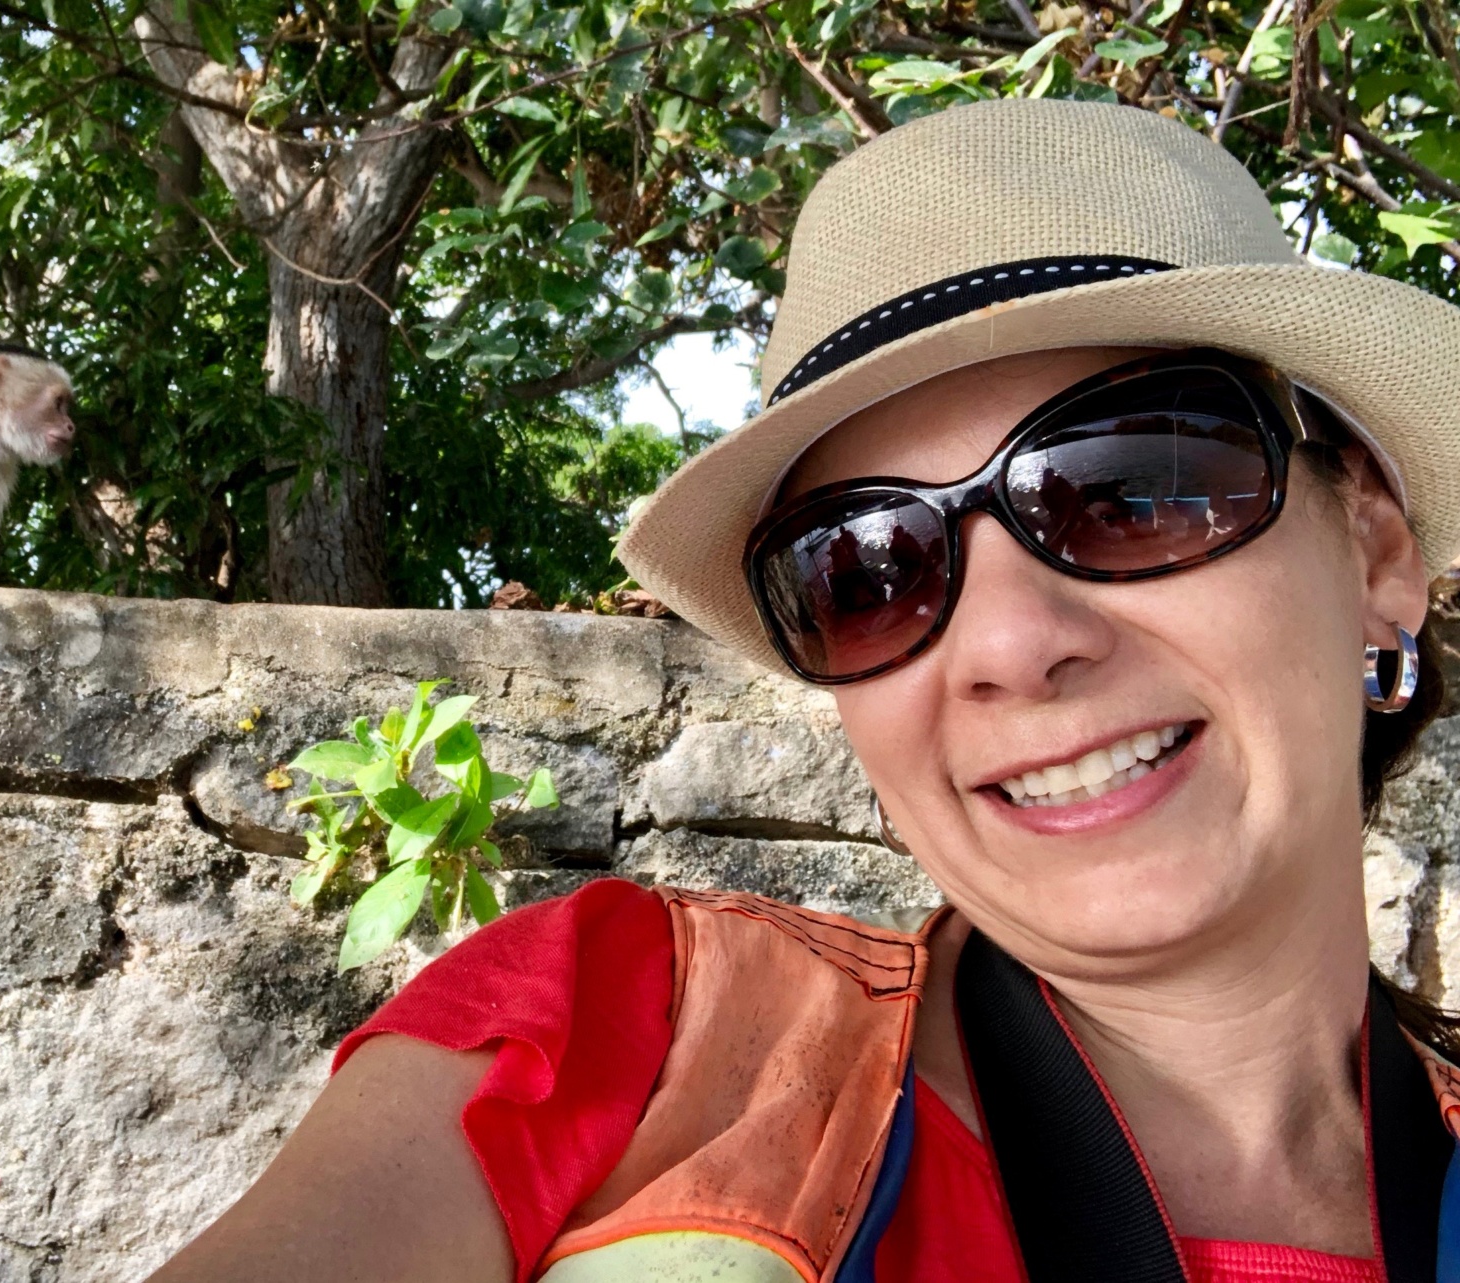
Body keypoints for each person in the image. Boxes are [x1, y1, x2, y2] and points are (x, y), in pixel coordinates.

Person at [148, 98, 1460, 1282]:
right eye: (866, 567)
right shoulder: (633, 1037)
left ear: (1378, 553)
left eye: (1129, 487)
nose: (1008, 646)